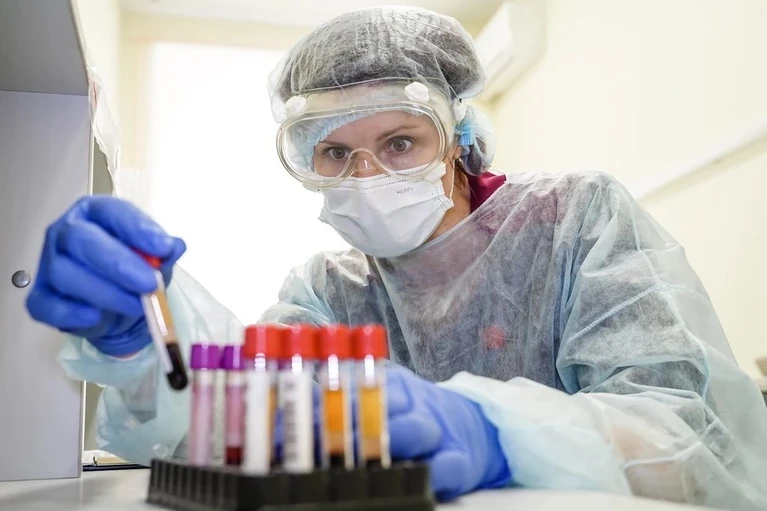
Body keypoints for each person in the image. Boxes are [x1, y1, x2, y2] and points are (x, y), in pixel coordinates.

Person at [25, 5, 767, 509]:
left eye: (401, 141)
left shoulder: (573, 219)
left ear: (457, 138)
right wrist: (143, 344)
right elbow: (245, 425)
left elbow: (694, 446)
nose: (367, 176)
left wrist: (495, 434)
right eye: (334, 153)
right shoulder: (325, 290)